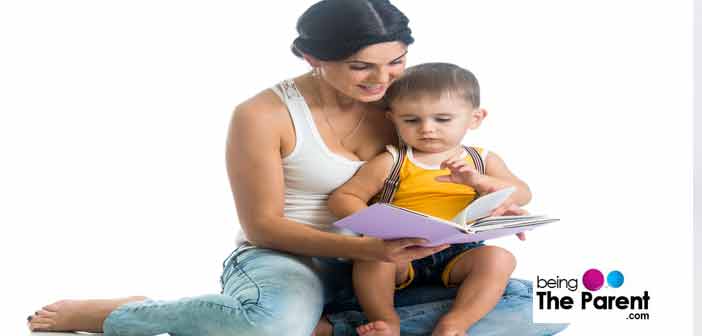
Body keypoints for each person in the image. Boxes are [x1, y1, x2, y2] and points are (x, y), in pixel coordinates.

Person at [26, 1, 567, 335]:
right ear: (312, 57)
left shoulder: (407, 102)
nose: (383, 81)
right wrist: (367, 248)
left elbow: (460, 157)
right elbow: (263, 225)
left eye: (396, 61)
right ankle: (131, 315)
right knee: (270, 327)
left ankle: (330, 328)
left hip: (396, 261)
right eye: (361, 67)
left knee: (528, 305)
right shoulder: (262, 114)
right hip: (290, 255)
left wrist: (493, 203)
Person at [328, 62, 530, 336]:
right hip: (399, 251)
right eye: (411, 120)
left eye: (442, 119)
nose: (427, 129)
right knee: (371, 258)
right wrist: (376, 229)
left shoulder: (481, 160)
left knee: (500, 259)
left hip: (460, 253)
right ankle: (386, 320)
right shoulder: (392, 161)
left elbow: (522, 192)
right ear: (392, 118)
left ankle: (456, 323)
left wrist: (479, 182)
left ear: (475, 118)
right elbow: (344, 197)